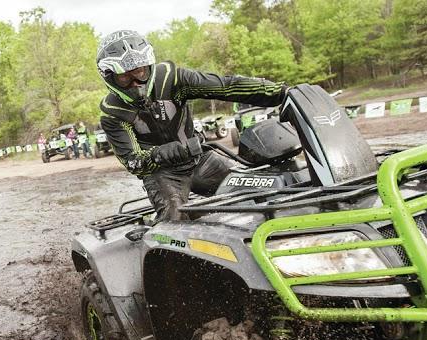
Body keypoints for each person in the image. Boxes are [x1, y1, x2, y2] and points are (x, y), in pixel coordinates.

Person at [96, 30, 287, 221]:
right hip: (162, 174)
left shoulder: (172, 78)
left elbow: (226, 87)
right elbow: (134, 161)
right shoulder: (112, 112)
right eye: (124, 77)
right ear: (110, 78)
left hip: (200, 159)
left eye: (139, 72)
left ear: (148, 67)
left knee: (265, 187)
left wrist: (282, 93)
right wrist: (168, 152)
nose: (135, 83)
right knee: (174, 221)